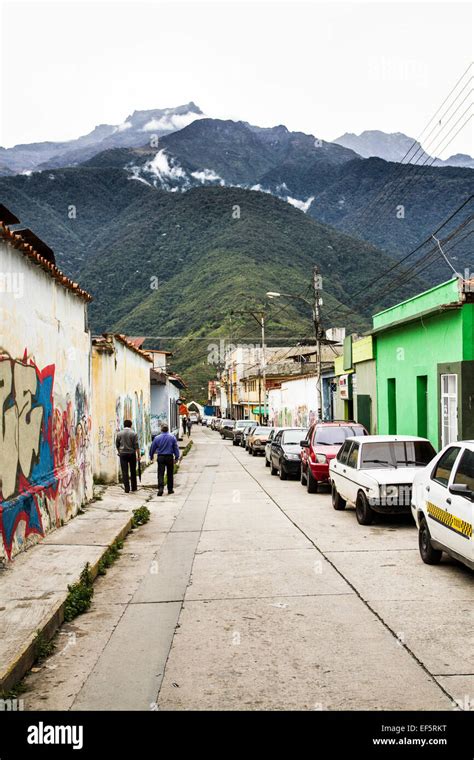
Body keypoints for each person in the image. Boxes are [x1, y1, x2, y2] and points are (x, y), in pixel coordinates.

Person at [149, 423, 181, 496]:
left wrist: (151, 456)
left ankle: (161, 488)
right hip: (169, 457)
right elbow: (175, 448)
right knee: (170, 474)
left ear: (161, 429)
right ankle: (170, 489)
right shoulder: (172, 437)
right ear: (168, 429)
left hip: (161, 457)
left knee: (160, 473)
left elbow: (152, 448)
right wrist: (177, 457)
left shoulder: (157, 438)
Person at [116, 419, 140, 493]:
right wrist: (138, 455)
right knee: (133, 470)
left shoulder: (119, 434)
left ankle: (126, 488)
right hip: (131, 454)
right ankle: (134, 487)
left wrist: (119, 452)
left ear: (124, 425)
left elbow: (117, 444)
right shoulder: (134, 433)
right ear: (131, 425)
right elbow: (136, 446)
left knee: (124, 471)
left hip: (123, 454)